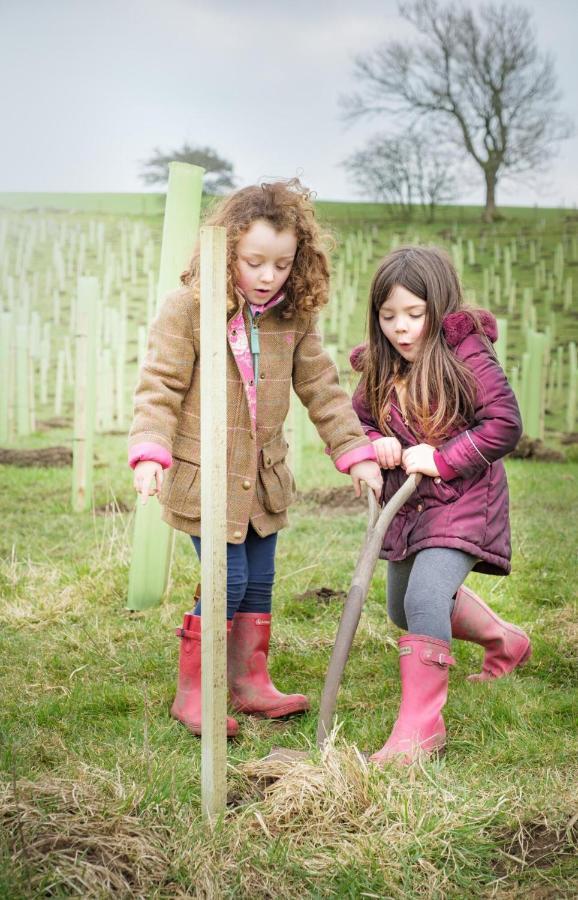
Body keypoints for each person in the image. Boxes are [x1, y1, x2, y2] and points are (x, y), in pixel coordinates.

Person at [129, 179, 382, 738]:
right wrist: (151, 451)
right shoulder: (189, 309)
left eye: (282, 264)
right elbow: (160, 385)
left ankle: (248, 680)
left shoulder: (292, 317)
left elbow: (322, 386)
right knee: (230, 579)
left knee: (260, 580)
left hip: (262, 481)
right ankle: (196, 691)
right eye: (254, 262)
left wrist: (355, 451)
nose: (268, 276)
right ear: (227, 253)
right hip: (205, 480)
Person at [351, 245, 530, 765]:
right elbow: (358, 423)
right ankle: (504, 639)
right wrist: (372, 442)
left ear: (439, 307)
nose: (401, 329)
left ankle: (420, 728)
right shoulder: (380, 367)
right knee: (401, 607)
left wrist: (444, 458)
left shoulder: (466, 352)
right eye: (388, 317)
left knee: (427, 599)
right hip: (409, 506)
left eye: (414, 314)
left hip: (465, 497)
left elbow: (503, 424)